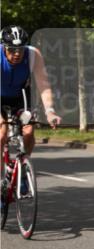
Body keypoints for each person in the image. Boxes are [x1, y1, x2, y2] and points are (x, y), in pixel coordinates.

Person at [0, 26, 61, 157]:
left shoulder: (33, 55)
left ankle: (23, 165)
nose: (17, 53)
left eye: (21, 49)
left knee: (28, 131)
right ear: (4, 47)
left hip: (20, 96)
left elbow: (43, 86)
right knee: (1, 133)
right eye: (12, 49)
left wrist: (50, 111)